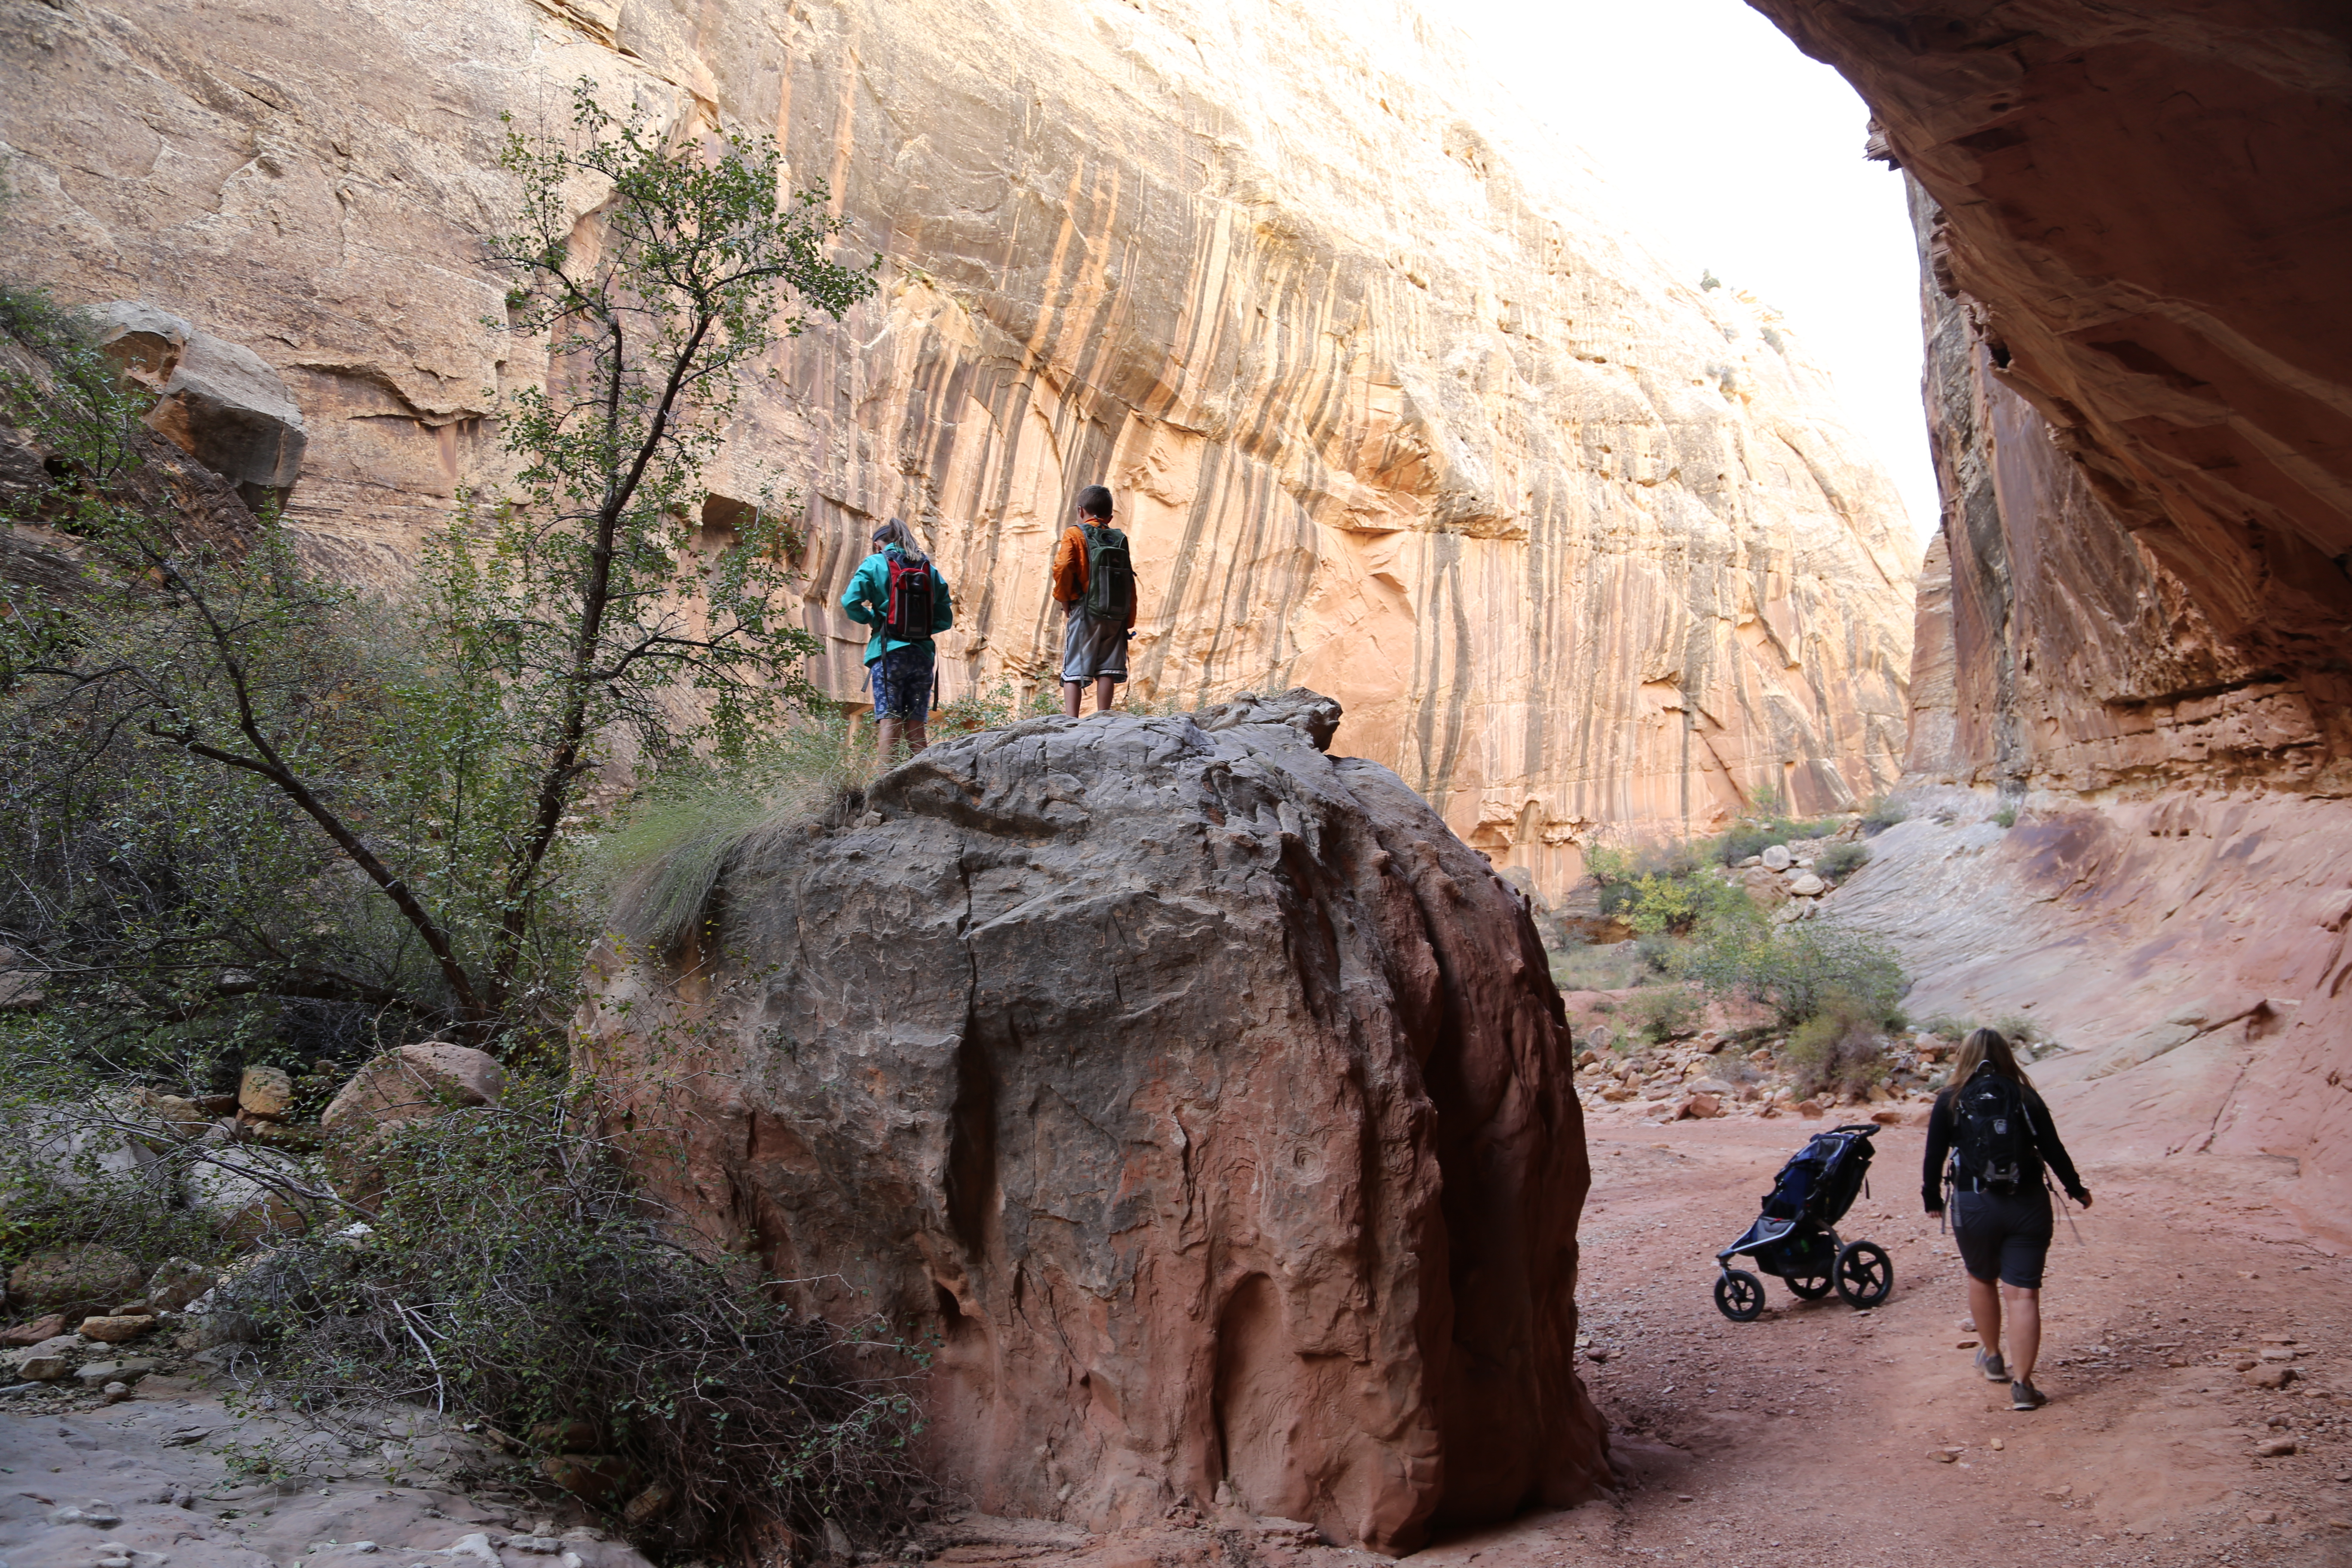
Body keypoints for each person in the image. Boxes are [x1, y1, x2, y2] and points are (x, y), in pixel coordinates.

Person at [1922, 1026, 2092, 1411]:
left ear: (1964, 1056)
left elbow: (1934, 1154)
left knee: (1981, 1277)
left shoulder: (1951, 1098)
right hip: (2027, 1202)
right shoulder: (2025, 1096)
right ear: (2006, 1056)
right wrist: (2076, 1189)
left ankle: (1994, 1357)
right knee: (2023, 1293)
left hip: (1973, 1203)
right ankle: (2024, 1385)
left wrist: (1931, 1197)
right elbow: (2052, 1148)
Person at [840, 518, 953, 763]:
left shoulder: (875, 563)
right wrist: (919, 629)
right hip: (922, 656)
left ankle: (883, 787)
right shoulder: (929, 570)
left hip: (889, 653)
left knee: (890, 721)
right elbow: (945, 618)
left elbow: (850, 602)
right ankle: (925, 784)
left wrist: (874, 619)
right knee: (916, 727)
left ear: (877, 545)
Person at [1050, 484, 1136, 716]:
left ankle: (1071, 719)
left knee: (1076, 664)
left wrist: (1066, 601)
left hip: (1087, 609)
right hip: (1116, 612)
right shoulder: (1119, 538)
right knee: (1108, 666)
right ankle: (1104, 716)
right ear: (1110, 516)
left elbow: (1064, 567)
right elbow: (1129, 579)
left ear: (1080, 511)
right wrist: (1128, 617)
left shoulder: (1075, 534)